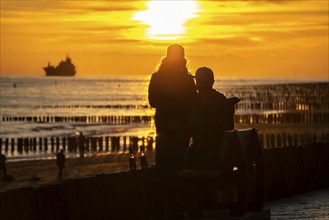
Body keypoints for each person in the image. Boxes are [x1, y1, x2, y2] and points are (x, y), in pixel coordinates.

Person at [148, 44, 197, 218]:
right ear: (182, 58)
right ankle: (174, 207)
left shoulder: (157, 77)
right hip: (181, 129)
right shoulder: (187, 79)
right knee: (178, 167)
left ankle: (164, 208)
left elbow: (153, 101)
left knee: (163, 167)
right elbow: (193, 102)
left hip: (164, 127)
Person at [187, 66, 240, 170]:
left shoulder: (197, 102)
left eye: (198, 81)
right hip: (221, 153)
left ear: (198, 83)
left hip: (204, 155)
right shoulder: (221, 99)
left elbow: (192, 129)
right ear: (212, 82)